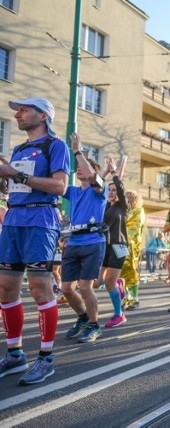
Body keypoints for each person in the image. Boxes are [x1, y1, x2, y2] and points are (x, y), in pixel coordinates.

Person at [0, 97, 70, 385]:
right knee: (5, 287)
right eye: (17, 110)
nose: (17, 114)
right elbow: (15, 184)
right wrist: (5, 176)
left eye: (23, 110)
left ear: (42, 116)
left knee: (40, 287)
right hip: (13, 219)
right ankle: (15, 354)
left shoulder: (55, 146)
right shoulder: (19, 148)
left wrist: (14, 173)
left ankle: (46, 358)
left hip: (40, 219)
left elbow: (60, 186)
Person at [59, 133, 108, 344]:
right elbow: (52, 184)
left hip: (93, 242)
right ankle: (83, 319)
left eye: (84, 166)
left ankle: (95, 326)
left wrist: (78, 151)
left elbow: (91, 175)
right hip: (74, 242)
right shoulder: (72, 191)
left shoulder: (100, 190)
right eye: (77, 166)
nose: (79, 168)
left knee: (86, 286)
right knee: (66, 289)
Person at [97, 157, 129, 328]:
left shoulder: (122, 207)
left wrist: (114, 173)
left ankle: (119, 314)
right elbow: (96, 189)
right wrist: (105, 174)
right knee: (95, 282)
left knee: (109, 282)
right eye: (109, 190)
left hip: (119, 246)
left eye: (114, 190)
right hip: (104, 246)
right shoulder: (104, 206)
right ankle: (119, 284)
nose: (111, 192)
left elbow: (121, 189)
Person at [121, 191, 145, 310]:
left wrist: (126, 237)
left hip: (132, 245)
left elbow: (135, 228)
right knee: (120, 271)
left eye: (131, 198)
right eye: (127, 198)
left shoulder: (139, 211)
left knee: (131, 269)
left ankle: (135, 297)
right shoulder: (123, 210)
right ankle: (126, 295)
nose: (129, 201)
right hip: (120, 243)